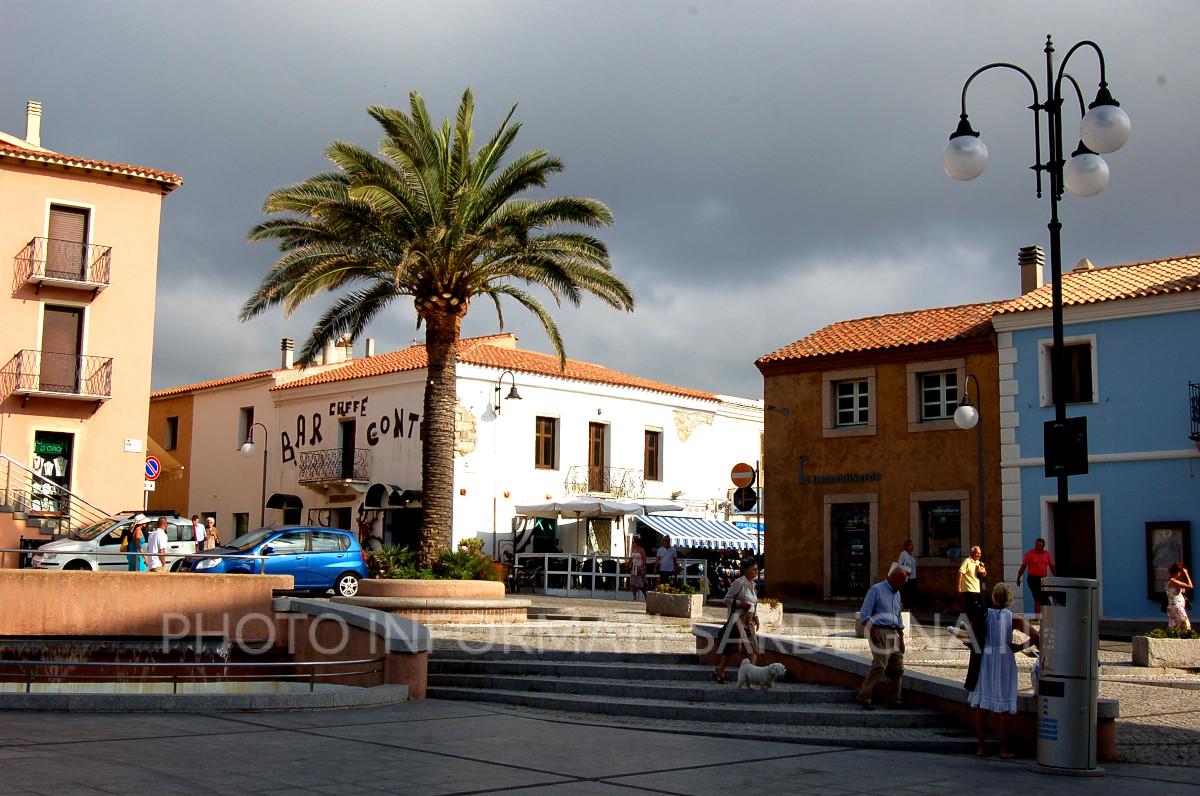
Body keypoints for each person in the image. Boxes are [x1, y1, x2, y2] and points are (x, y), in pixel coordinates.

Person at [970, 582, 1038, 758]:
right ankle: (1003, 749)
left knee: (980, 705)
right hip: (1004, 657)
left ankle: (981, 748)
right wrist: (1018, 647)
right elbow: (1036, 636)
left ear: (994, 597)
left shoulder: (984, 614)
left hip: (986, 657)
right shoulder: (1012, 617)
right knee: (1004, 706)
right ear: (1008, 598)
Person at [858, 564, 908, 710]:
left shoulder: (897, 593)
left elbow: (898, 616)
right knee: (880, 665)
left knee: (897, 667)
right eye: (902, 582)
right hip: (879, 630)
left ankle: (895, 700)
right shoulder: (876, 590)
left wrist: (901, 636)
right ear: (894, 578)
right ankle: (864, 697)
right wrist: (872, 631)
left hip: (894, 632)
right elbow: (865, 613)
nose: (903, 585)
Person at [713, 560, 761, 683]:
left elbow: (753, 603)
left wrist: (755, 616)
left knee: (753, 648)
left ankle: (751, 677)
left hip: (749, 620)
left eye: (757, 569)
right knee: (733, 647)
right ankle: (720, 670)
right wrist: (740, 603)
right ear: (746, 570)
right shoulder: (739, 583)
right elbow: (727, 599)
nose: (756, 571)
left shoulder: (753, 585)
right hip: (738, 619)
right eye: (754, 569)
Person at [1015, 538, 1056, 614]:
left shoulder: (1047, 554)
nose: (1039, 547)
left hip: (1043, 580)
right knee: (1037, 599)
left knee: (1045, 599)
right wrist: (1018, 578)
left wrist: (1056, 578)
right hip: (1033, 579)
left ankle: (1044, 617)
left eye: (1041, 545)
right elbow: (1023, 567)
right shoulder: (1029, 554)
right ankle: (1037, 619)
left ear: (1044, 546)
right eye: (1037, 545)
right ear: (1035, 545)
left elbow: (1052, 566)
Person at [957, 546, 988, 612]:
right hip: (968, 589)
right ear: (972, 553)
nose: (979, 555)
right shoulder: (967, 561)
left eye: (980, 553)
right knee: (971, 608)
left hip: (976, 589)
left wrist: (983, 569)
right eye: (977, 553)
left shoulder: (978, 562)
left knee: (975, 608)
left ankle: (972, 621)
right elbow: (960, 574)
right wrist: (959, 587)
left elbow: (984, 574)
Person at [1166, 562, 1193, 632]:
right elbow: (1190, 586)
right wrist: (1186, 574)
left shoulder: (1172, 581)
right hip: (1177, 608)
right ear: (1177, 571)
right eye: (1180, 572)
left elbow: (1183, 590)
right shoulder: (1173, 582)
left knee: (1175, 628)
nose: (1181, 574)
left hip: (1174, 607)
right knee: (1186, 627)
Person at [898, 539, 917, 606]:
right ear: (906, 546)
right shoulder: (906, 555)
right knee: (906, 600)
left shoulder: (908, 555)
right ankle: (904, 614)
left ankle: (904, 613)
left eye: (912, 545)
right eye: (910, 545)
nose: (912, 547)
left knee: (906, 600)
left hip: (909, 579)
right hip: (908, 580)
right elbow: (908, 570)